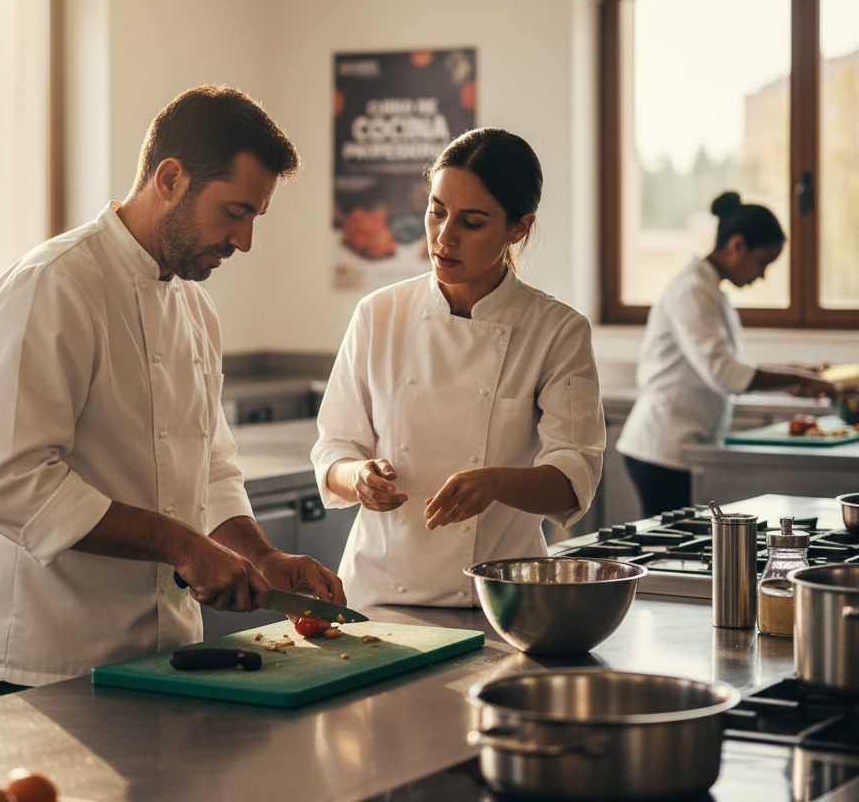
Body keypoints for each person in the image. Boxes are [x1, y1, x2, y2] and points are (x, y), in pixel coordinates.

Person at [0, 85, 345, 699]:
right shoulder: (52, 287)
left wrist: (262, 557)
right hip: (48, 660)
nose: (243, 241)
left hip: (169, 653)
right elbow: (9, 480)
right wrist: (183, 545)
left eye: (253, 218)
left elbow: (211, 469)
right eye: (234, 212)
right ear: (170, 179)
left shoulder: (196, 306)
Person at [310, 128, 604, 611]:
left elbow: (573, 477)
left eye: (472, 222)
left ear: (518, 228)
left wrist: (495, 482)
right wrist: (357, 476)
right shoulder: (378, 314)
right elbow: (334, 447)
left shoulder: (557, 331)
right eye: (436, 211)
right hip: (379, 597)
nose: (444, 237)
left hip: (499, 600)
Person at [617, 191, 837, 518]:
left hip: (682, 446)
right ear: (737, 245)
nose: (761, 275)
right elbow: (724, 373)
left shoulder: (710, 291)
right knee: (669, 553)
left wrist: (792, 377)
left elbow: (728, 365)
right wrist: (796, 377)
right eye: (763, 262)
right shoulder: (692, 290)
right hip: (661, 448)